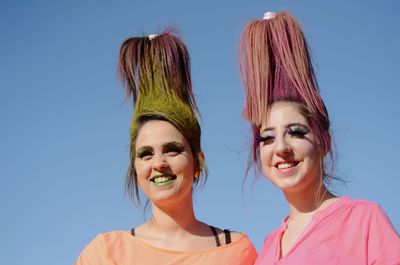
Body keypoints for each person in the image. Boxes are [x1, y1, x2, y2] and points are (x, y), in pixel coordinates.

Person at [75, 29, 257, 265]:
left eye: (172, 149)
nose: (159, 164)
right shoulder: (105, 254)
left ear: (198, 162)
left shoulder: (237, 251)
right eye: (145, 154)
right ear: (135, 168)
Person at [238, 11, 400, 264]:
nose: (281, 147)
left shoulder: (364, 220)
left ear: (324, 142)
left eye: (296, 132)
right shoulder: (267, 248)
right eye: (267, 138)